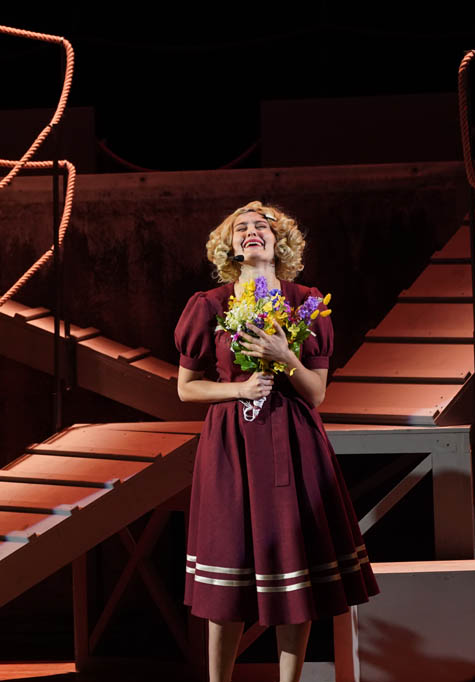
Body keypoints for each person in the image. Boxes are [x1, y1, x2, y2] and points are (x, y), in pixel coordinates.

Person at [174, 201, 378, 682]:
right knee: (227, 570)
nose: (251, 231)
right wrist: (239, 389)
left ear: (278, 240)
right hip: (232, 447)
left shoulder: (307, 302)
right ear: (229, 247)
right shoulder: (210, 304)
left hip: (294, 443)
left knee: (294, 569)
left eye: (261, 226)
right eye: (240, 228)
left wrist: (285, 355)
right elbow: (186, 389)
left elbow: (317, 393)